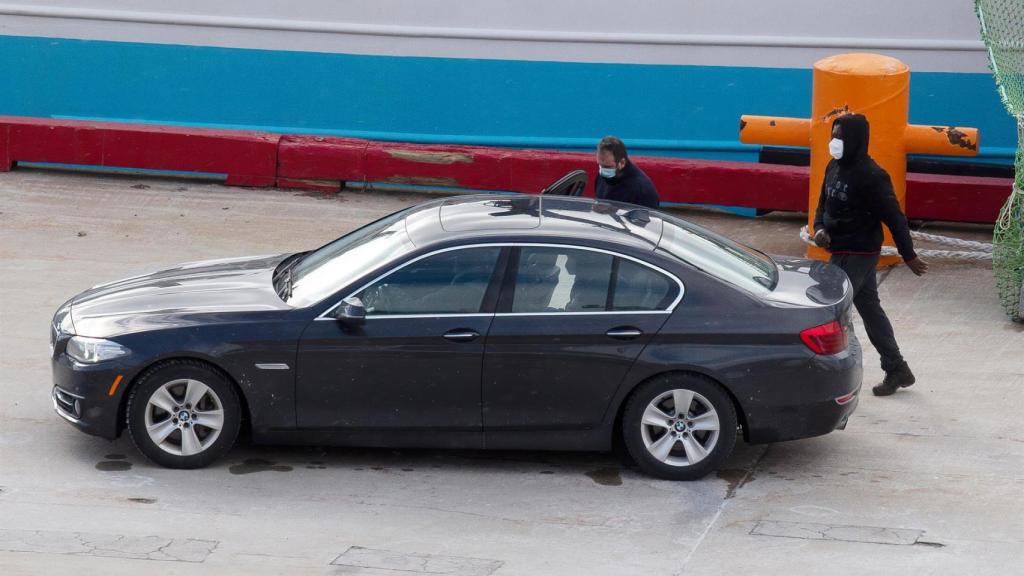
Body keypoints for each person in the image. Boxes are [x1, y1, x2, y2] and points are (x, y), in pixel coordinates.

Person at [813, 114, 929, 397]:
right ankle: (897, 368)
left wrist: (908, 254)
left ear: (854, 139)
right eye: (833, 135)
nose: (835, 141)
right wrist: (819, 229)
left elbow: (895, 218)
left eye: (840, 136)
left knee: (831, 312)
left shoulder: (872, 176)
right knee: (870, 311)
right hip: (839, 248)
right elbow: (822, 205)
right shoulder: (833, 167)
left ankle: (830, 375)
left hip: (858, 253)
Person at [594, 136, 660, 209]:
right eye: (600, 165)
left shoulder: (640, 189)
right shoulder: (602, 176)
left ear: (622, 162)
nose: (603, 170)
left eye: (608, 167)